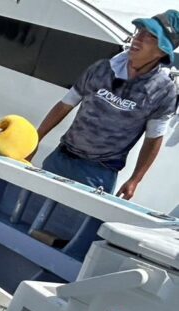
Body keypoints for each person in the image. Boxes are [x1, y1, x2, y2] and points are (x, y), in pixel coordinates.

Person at [35, 10, 179, 199]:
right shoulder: (102, 68)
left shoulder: (164, 91)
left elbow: (153, 139)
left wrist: (135, 180)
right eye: (140, 31)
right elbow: (65, 105)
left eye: (150, 36)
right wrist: (35, 138)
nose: (138, 38)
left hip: (98, 175)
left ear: (162, 50)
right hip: (60, 158)